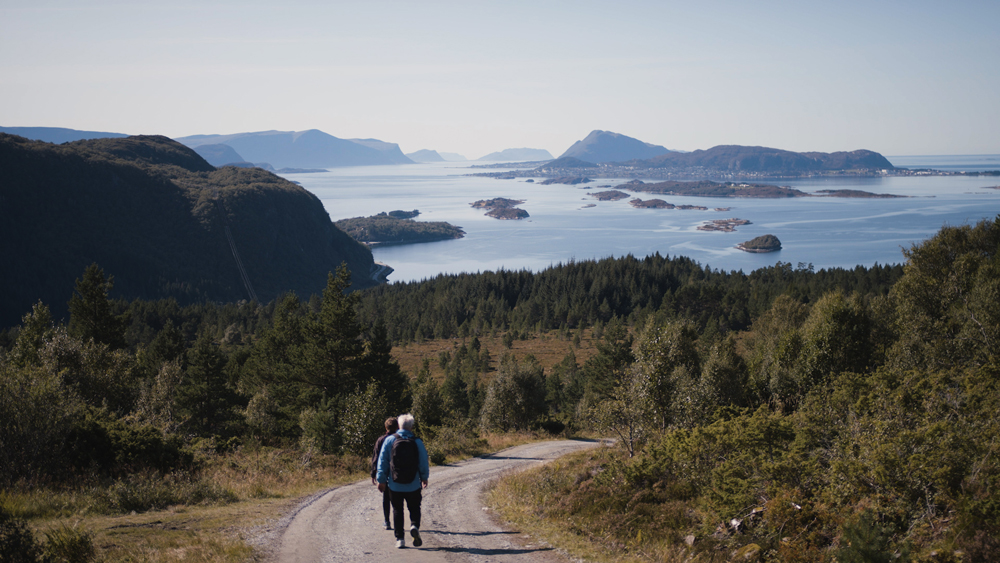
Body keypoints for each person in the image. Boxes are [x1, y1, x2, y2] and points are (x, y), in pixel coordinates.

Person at [376, 413, 429, 549]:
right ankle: (414, 525)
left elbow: (382, 462)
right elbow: (423, 462)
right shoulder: (417, 442)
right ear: (411, 427)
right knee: (415, 507)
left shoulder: (390, 441)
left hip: (395, 484)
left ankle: (400, 539)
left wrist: (381, 480)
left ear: (399, 425)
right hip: (413, 484)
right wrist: (424, 477)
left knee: (397, 510)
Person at [370, 416, 398, 530]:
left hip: (385, 473)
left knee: (386, 498)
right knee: (397, 499)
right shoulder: (399, 439)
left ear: (386, 427)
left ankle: (387, 521)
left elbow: (376, 457)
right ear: (397, 427)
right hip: (397, 472)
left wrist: (373, 473)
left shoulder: (381, 440)